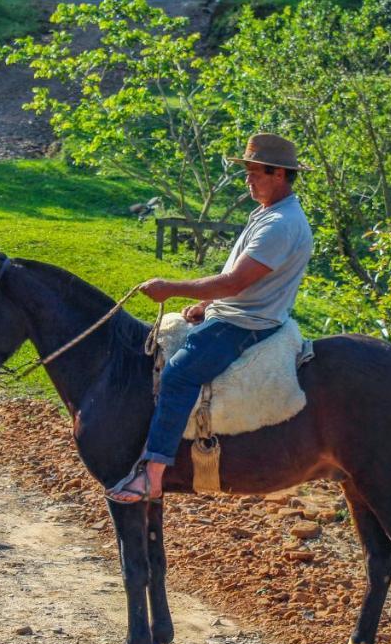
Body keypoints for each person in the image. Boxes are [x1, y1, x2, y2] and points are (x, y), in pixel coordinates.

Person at [106, 132, 314, 503]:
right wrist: (207, 305)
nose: (248, 179)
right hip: (236, 309)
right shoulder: (268, 212)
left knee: (179, 373)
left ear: (279, 174)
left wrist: (172, 287)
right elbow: (243, 277)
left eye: (254, 173)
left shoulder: (280, 225)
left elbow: (235, 281)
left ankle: (152, 475)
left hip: (247, 322)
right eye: (247, 172)